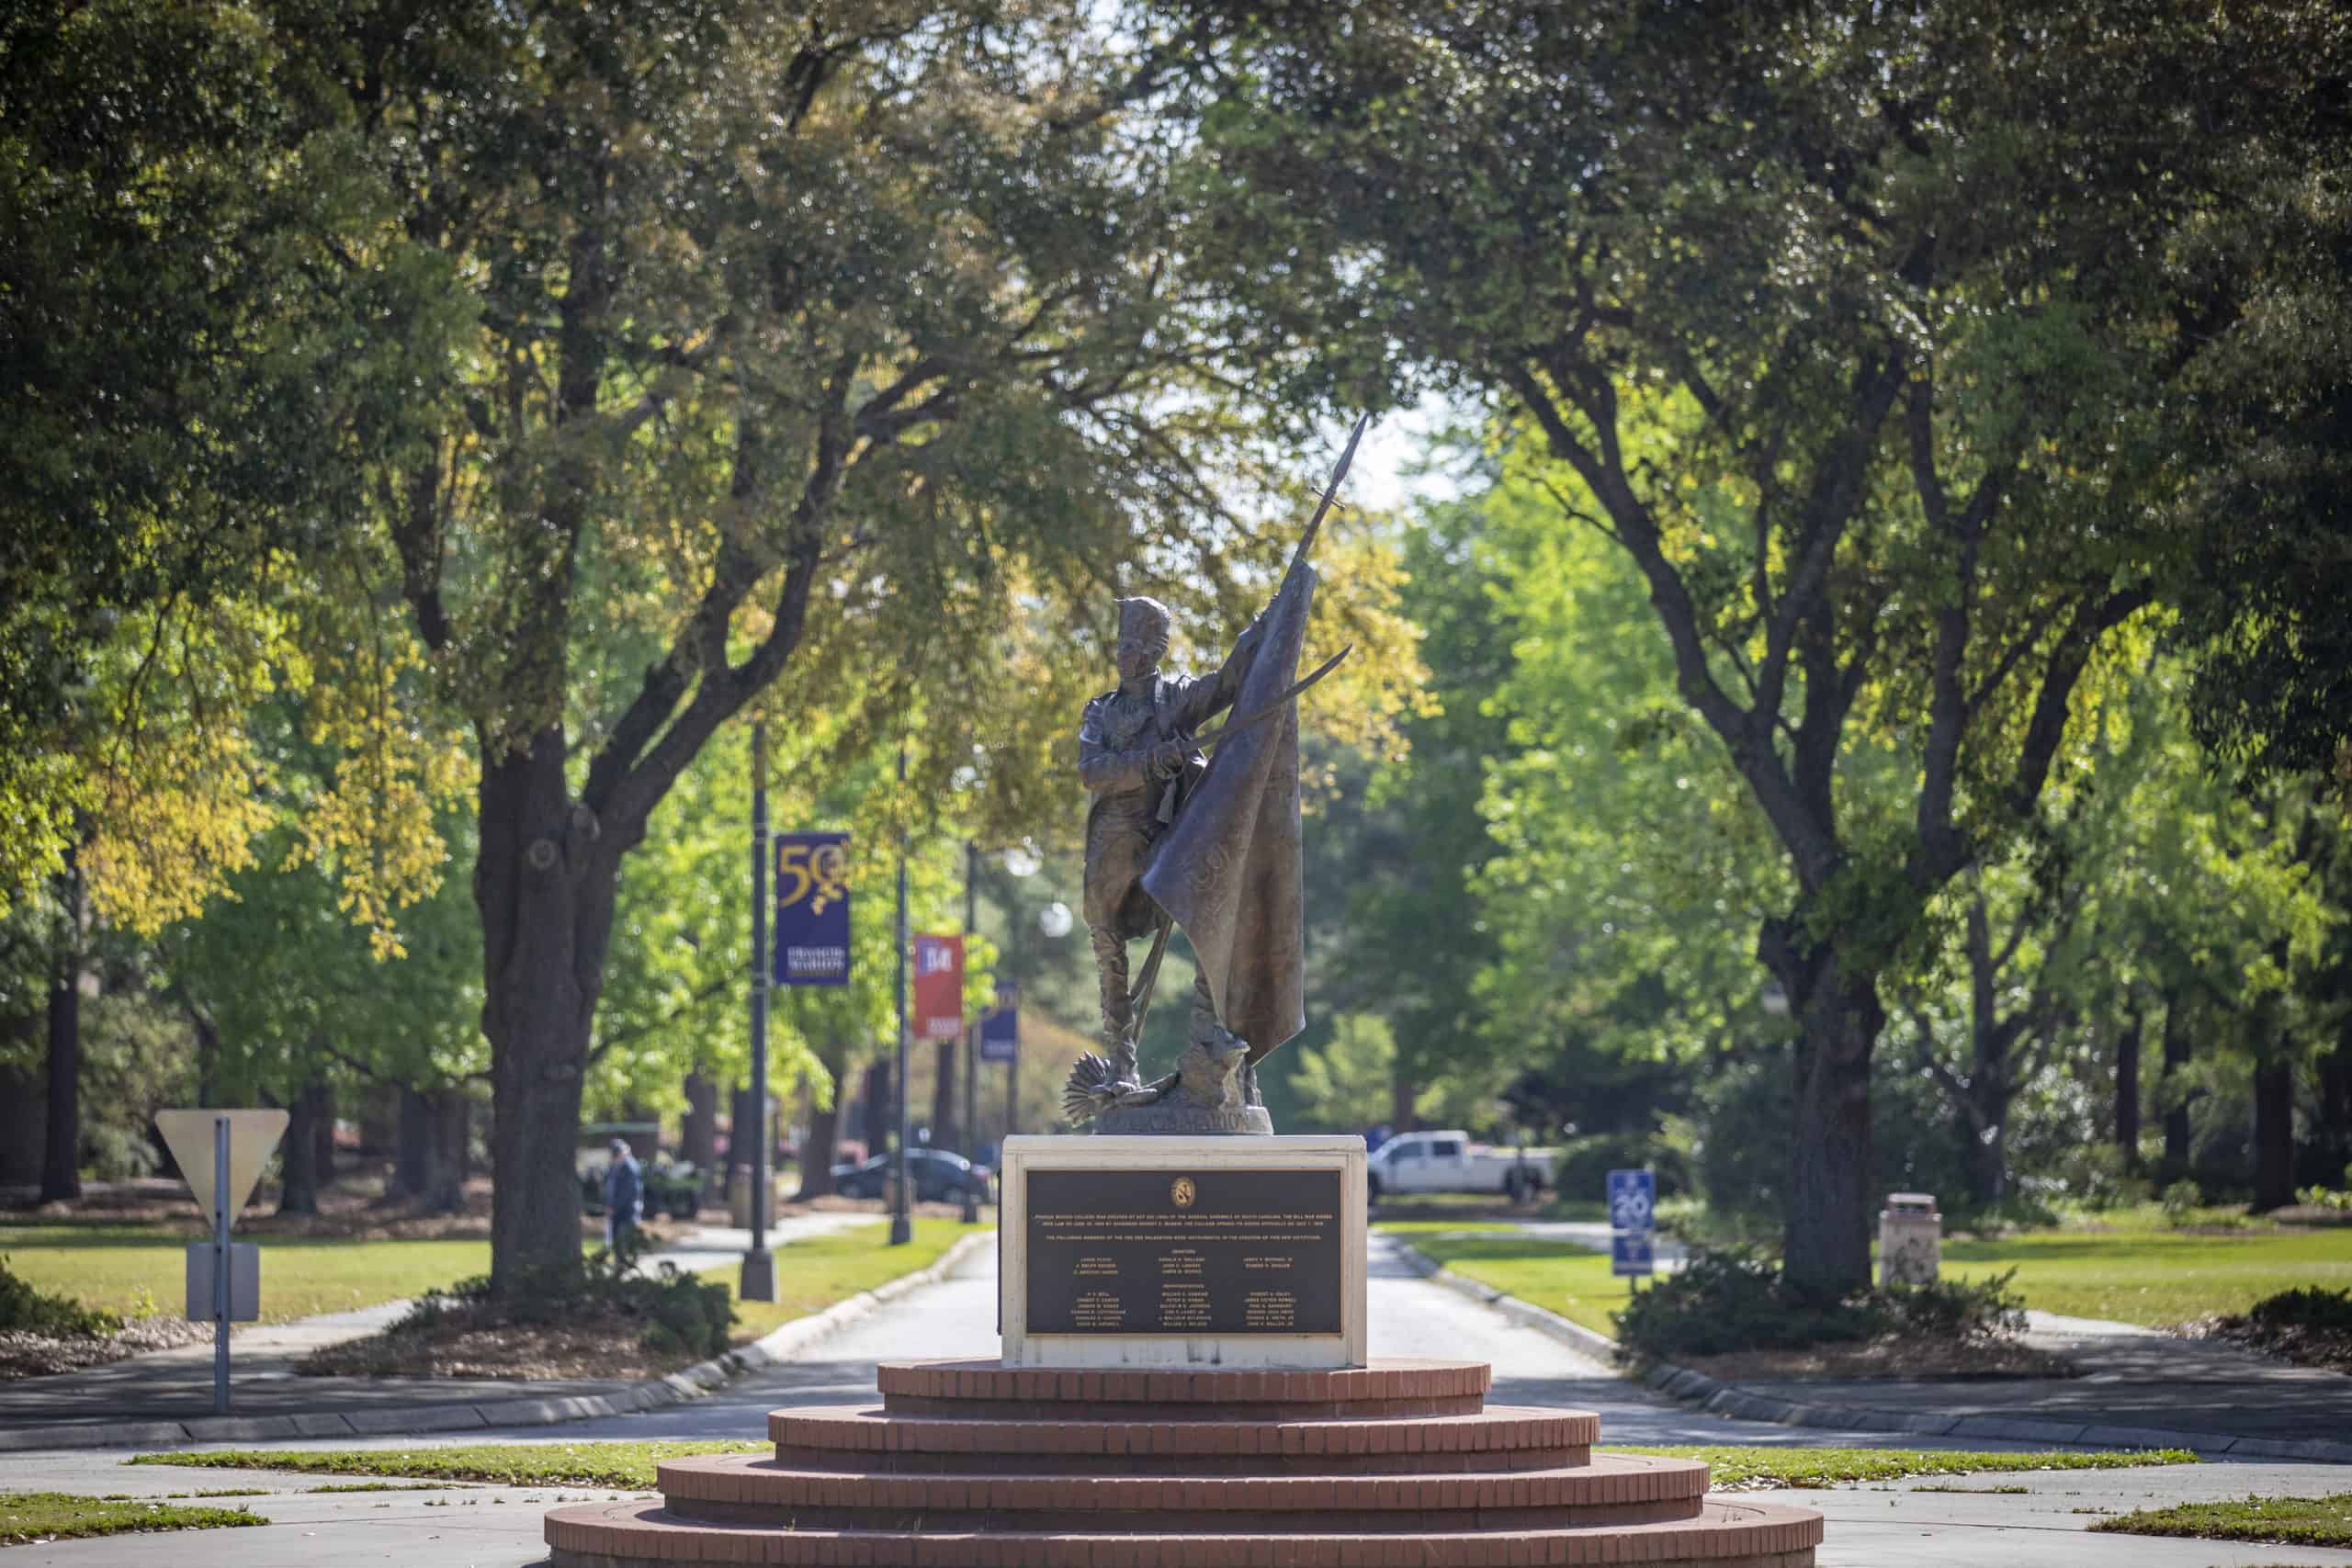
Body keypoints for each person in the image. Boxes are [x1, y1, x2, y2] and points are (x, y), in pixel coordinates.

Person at [1077, 594, 1261, 1072]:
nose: (1126, 654)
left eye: (1137, 644)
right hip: (1111, 845)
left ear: (1157, 649)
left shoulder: (1176, 699)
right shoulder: (1100, 711)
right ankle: (1121, 1059)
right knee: (1107, 946)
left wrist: (1263, 627)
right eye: (1122, 643)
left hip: (1164, 839)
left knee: (1215, 899)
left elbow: (1226, 684)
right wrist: (1148, 761)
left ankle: (1209, 1027)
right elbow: (1092, 771)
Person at [603, 1136, 642, 1255]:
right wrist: (609, 1205)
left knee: (625, 1238)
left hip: (627, 1209)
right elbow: (609, 1188)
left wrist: (613, 1207)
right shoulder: (614, 1167)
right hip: (616, 1209)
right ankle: (619, 1260)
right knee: (615, 1238)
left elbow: (627, 1192)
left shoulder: (629, 1168)